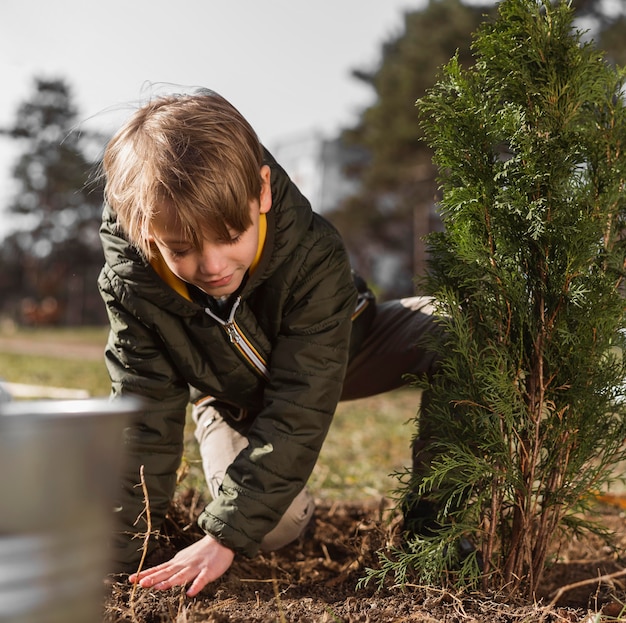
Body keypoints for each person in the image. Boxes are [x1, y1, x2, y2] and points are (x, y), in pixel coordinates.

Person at [98, 89, 440, 597]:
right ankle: (222, 425)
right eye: (183, 249)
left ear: (262, 193)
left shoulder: (312, 252)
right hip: (234, 393)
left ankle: (438, 533)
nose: (212, 267)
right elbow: (142, 416)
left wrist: (225, 535)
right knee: (274, 524)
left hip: (349, 347)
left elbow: (302, 401)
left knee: (464, 331)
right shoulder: (134, 284)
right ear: (144, 230)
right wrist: (116, 558)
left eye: (231, 234)